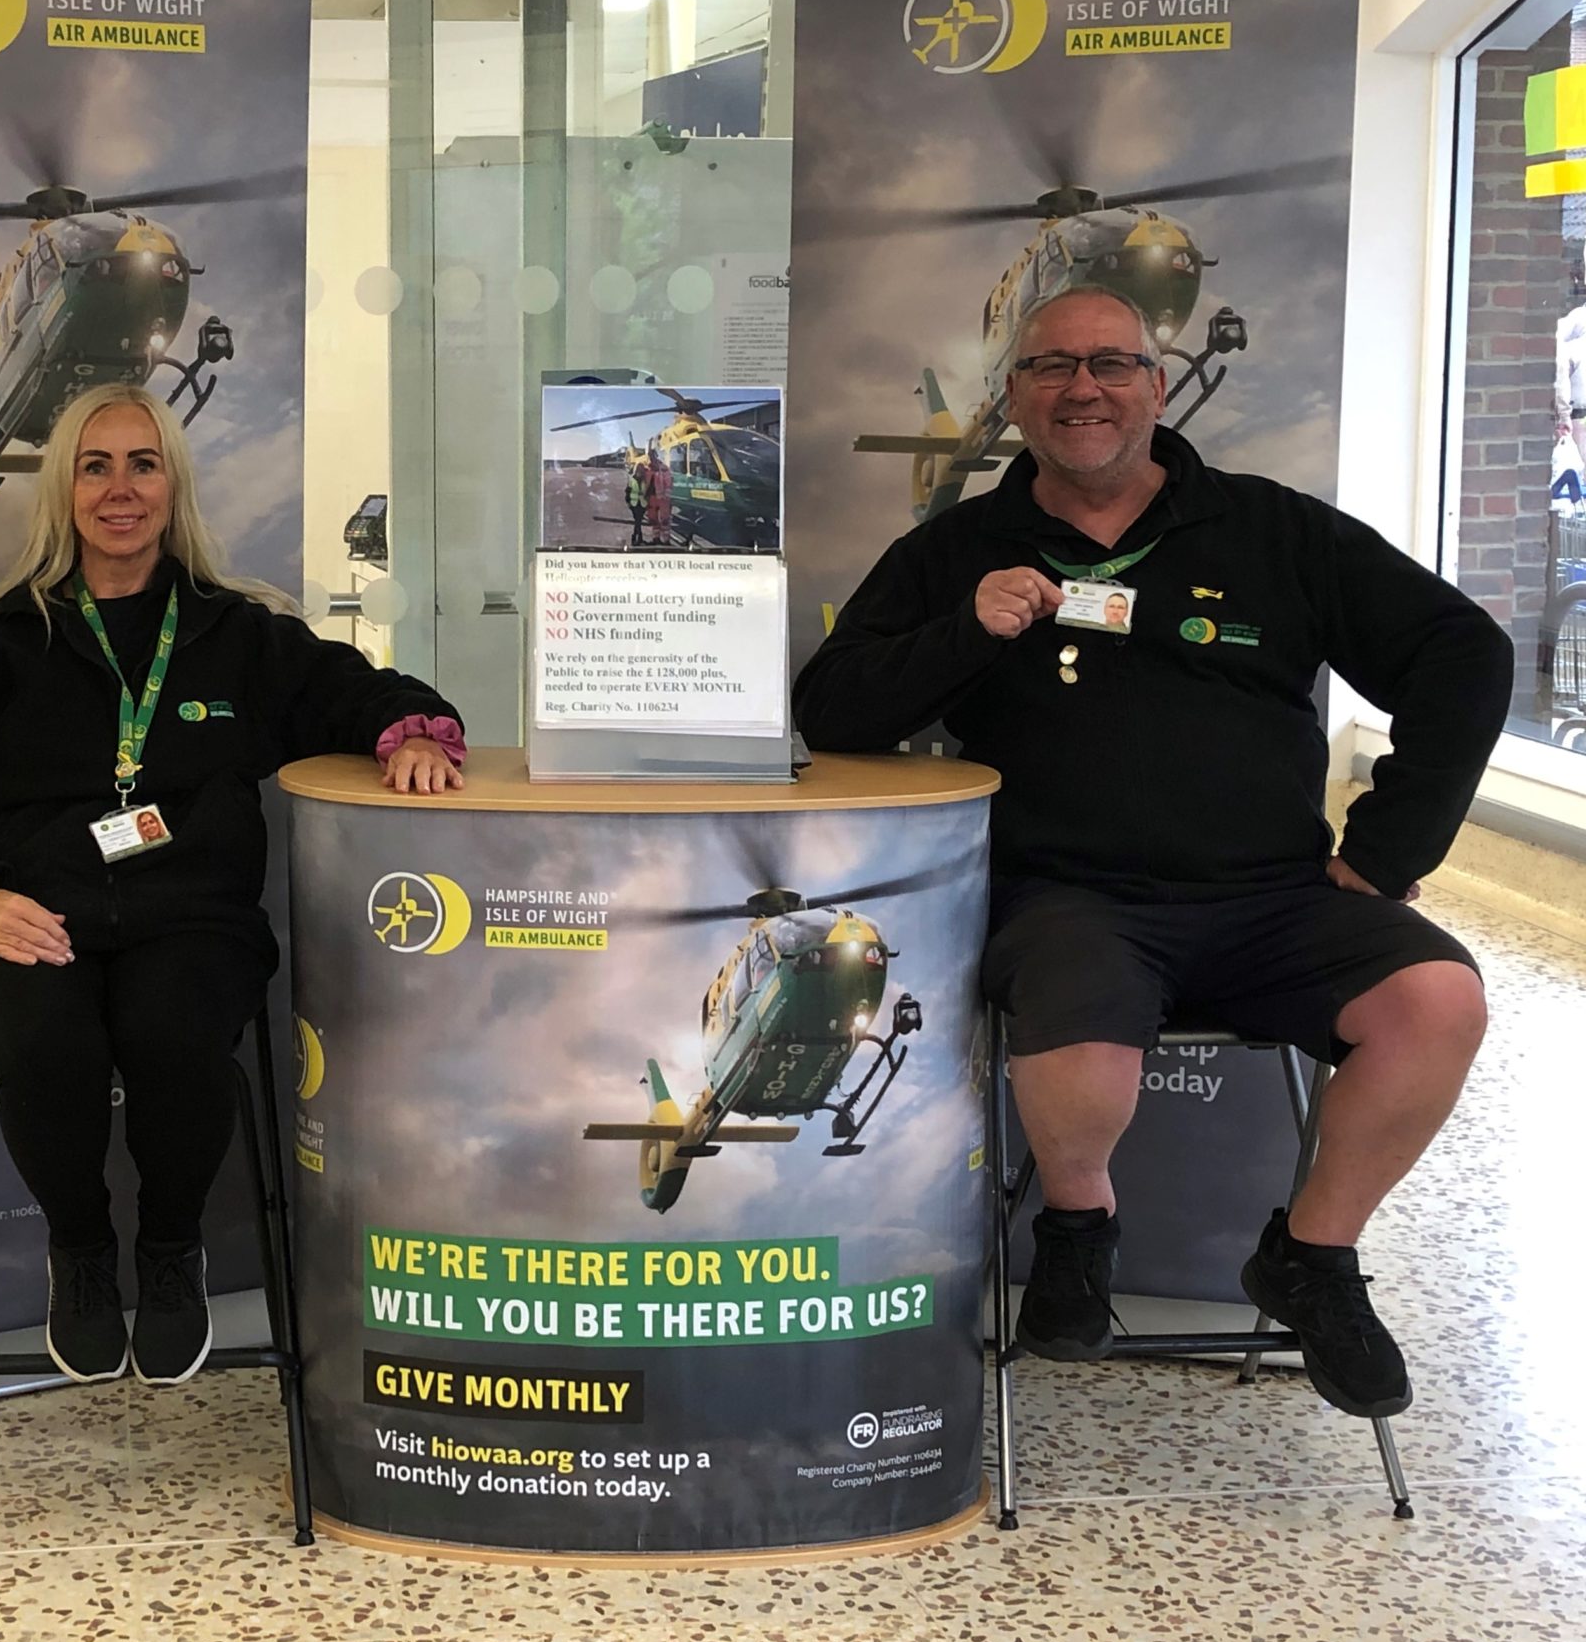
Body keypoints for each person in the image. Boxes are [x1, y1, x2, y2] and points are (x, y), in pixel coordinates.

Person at [794, 285, 1511, 1419]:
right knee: (1079, 1033)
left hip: (1276, 895)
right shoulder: (957, 549)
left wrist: (1388, 847)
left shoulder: (1273, 529)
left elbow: (1461, 653)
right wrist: (960, 632)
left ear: (1156, 384)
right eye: (1052, 368)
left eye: (1112, 364)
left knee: (1436, 1001)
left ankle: (1311, 1258)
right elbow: (829, 715)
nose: (1083, 387)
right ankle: (1078, 1229)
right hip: (1071, 899)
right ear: (1014, 397)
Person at [0, 383, 465, 1387]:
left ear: (172, 487)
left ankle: (169, 1249)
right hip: (30, 915)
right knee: (45, 1036)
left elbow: (359, 691)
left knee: (173, 1029)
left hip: (186, 920)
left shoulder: (238, 635)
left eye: (142, 464)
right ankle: (82, 1256)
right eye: (94, 466)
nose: (120, 489)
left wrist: (411, 733)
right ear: (62, 490)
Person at [644, 445, 675, 549]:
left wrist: (666, 496)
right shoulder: (647, 469)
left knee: (665, 520)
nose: (651, 458)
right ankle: (656, 539)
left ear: (656, 456)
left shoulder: (664, 468)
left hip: (662, 499)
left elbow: (669, 483)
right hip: (652, 498)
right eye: (650, 456)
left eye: (653, 455)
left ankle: (666, 541)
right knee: (653, 520)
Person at [625, 447, 650, 546]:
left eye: (641, 470)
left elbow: (648, 491)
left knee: (638, 522)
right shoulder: (632, 480)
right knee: (638, 521)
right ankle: (637, 538)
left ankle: (636, 538)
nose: (640, 472)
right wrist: (628, 502)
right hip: (634, 504)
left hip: (642, 503)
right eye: (639, 470)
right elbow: (627, 491)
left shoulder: (645, 480)